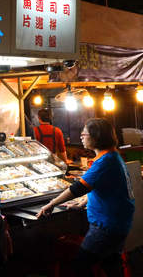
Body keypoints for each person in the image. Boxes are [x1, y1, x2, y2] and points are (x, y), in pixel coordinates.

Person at [37, 118, 135, 277]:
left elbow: (78, 188)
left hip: (106, 226)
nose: (81, 137)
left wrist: (52, 203)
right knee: (111, 263)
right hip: (118, 223)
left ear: (96, 137)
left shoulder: (105, 161)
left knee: (80, 265)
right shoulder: (112, 156)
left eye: (84, 134)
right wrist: (81, 203)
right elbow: (101, 187)